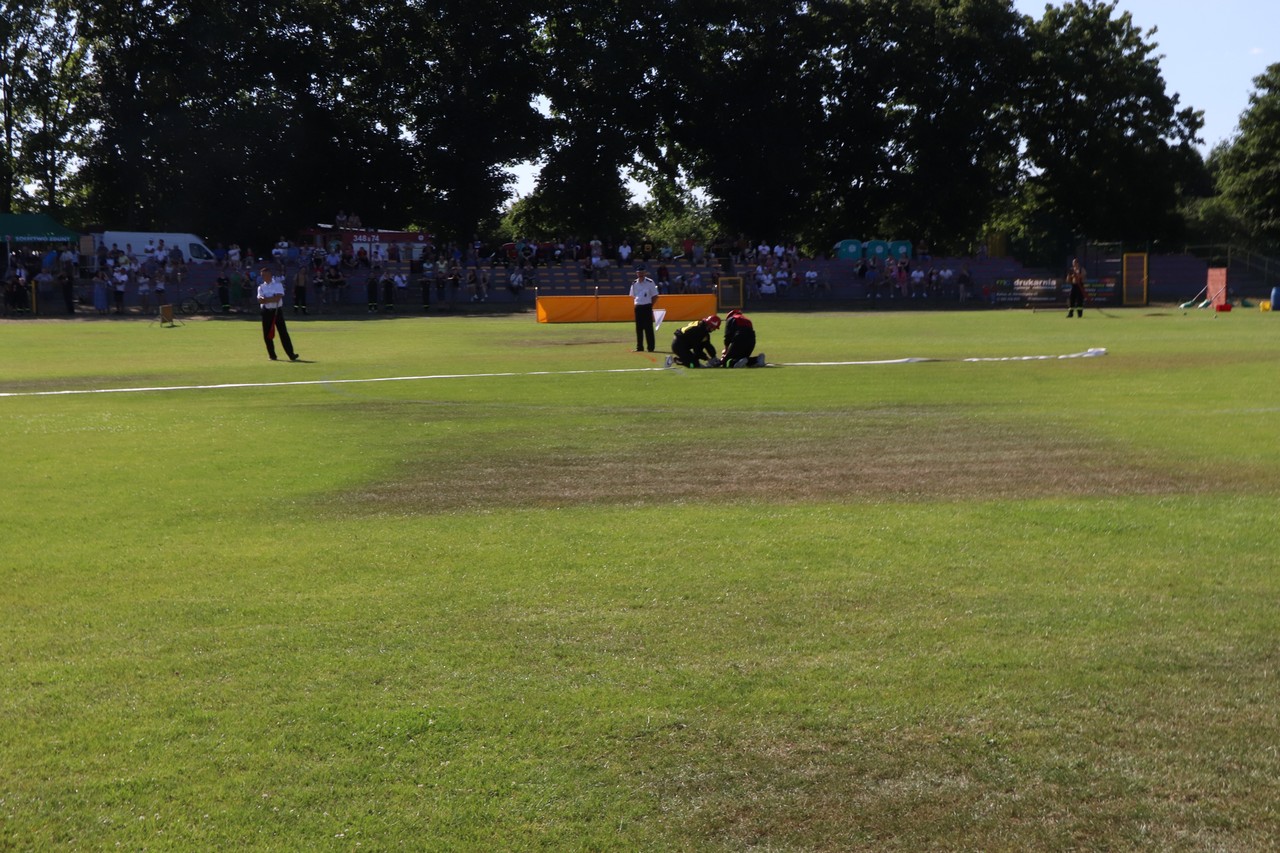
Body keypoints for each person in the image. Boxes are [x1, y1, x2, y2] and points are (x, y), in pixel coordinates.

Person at [257, 267, 300, 361]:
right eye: (262, 275)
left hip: (276, 311)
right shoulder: (261, 287)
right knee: (267, 334)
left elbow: (277, 298)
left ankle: (291, 354)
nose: (263, 277)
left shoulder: (277, 285)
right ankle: (272, 355)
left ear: (269, 275)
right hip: (266, 311)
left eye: (264, 275)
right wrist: (271, 298)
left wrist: (266, 299)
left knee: (283, 333)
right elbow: (260, 300)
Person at [629, 264, 659, 352]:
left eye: (642, 273)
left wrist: (650, 305)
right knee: (639, 328)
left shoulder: (650, 282)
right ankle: (639, 347)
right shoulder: (634, 283)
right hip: (638, 307)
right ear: (637, 274)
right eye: (639, 273)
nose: (640, 274)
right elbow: (633, 295)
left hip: (647, 306)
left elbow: (655, 296)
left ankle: (651, 347)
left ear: (645, 273)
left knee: (648, 328)